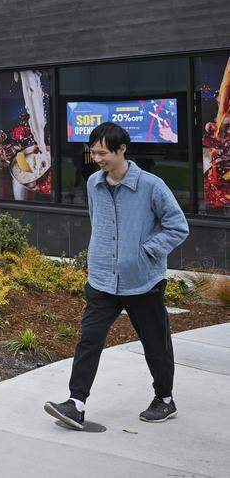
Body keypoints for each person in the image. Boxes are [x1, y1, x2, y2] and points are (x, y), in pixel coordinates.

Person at [44, 122, 189, 430]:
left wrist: (146, 251)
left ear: (122, 149)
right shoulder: (93, 183)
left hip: (142, 281)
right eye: (93, 152)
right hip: (102, 280)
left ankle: (164, 399)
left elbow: (178, 226)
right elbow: (99, 224)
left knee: (155, 343)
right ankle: (75, 404)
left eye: (103, 152)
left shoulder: (151, 185)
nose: (97, 158)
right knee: (89, 339)